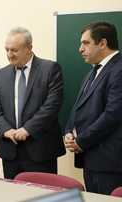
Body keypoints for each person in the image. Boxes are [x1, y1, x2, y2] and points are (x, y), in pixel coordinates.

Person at [0, 27, 66, 179]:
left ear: (29, 48)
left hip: (41, 150)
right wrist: (5, 130)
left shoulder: (50, 69)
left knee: (42, 197)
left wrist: (28, 129)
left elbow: (52, 105)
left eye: (14, 50)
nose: (9, 55)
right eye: (7, 49)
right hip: (10, 150)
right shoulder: (2, 73)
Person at [64, 21, 122, 195]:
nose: (81, 49)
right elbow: (77, 109)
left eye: (85, 43)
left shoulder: (119, 70)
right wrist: (69, 132)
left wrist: (81, 141)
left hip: (111, 163)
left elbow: (113, 114)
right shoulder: (91, 73)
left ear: (103, 43)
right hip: (90, 159)